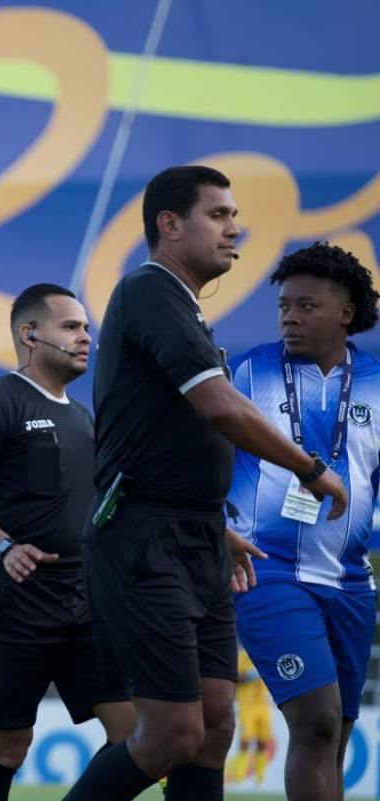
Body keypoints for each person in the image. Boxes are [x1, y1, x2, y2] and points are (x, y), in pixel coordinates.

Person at [63, 165, 347, 801]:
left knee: (217, 724)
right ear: (169, 225)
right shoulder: (149, 289)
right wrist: (311, 467)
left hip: (196, 538)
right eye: (218, 214)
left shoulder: (183, 309)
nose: (235, 227)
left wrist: (214, 527)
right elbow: (220, 407)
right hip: (143, 537)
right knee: (170, 732)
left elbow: (172, 435)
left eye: (232, 215)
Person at [0, 283, 135, 801]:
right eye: (71, 327)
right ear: (30, 334)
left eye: (87, 328)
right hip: (13, 601)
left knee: (138, 735)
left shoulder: (83, 417)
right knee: (6, 748)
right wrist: (6, 548)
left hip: (84, 600)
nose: (86, 338)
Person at [226, 242, 380, 801]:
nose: (290, 316)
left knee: (334, 735)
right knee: (314, 721)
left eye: (306, 306)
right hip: (267, 572)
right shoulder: (246, 374)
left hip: (349, 581)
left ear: (345, 313)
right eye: (284, 306)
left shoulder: (377, 382)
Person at [225, 648, 273, 787]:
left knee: (263, 742)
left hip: (264, 704)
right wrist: (248, 676)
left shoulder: (266, 653)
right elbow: (235, 678)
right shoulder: (243, 655)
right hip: (247, 705)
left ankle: (260, 780)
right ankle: (239, 778)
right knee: (245, 741)